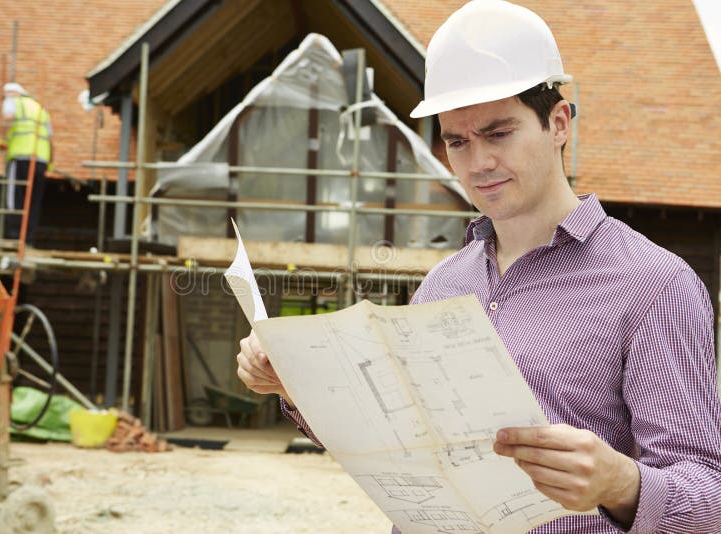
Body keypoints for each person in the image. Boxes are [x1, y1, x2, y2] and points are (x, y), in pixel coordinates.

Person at [236, 0, 721, 531]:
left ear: (558, 122)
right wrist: (295, 385)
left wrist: (622, 483)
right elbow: (392, 448)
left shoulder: (655, 286)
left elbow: (709, 499)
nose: (478, 163)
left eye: (498, 133)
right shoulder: (444, 282)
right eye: (457, 141)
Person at [0, 82, 53, 247]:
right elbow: (51, 138)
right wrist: (50, 161)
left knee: (15, 197)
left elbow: (8, 118)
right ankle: (28, 239)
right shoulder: (40, 109)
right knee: (33, 201)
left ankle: (14, 237)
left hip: (20, 156)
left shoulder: (13, 102)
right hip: (41, 160)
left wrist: (3, 139)